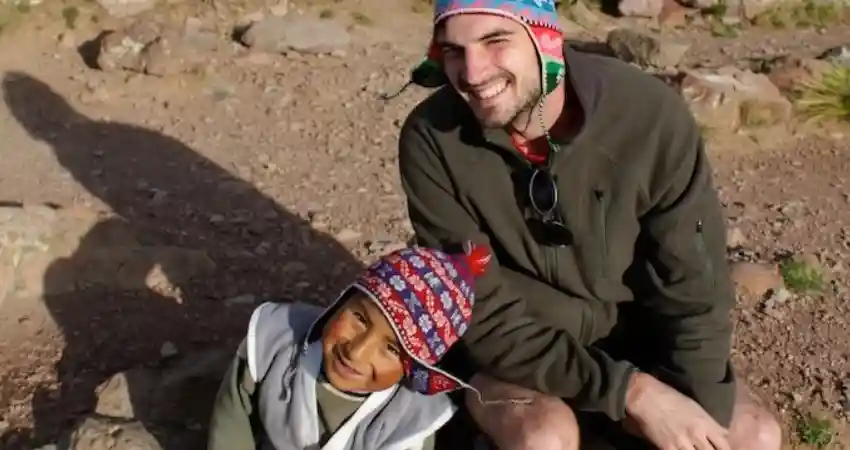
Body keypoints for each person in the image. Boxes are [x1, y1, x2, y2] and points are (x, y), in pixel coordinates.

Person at [395, 0, 783, 449]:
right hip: (519, 354)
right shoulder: (433, 140)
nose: (474, 72)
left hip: (636, 342)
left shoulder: (648, 118)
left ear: (547, 39)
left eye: (495, 40)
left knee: (754, 436)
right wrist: (628, 392)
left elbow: (695, 286)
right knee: (544, 438)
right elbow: (483, 317)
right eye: (454, 51)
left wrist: (693, 406)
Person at [207, 243, 492, 450]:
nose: (356, 352)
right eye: (358, 318)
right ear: (343, 300)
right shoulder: (276, 341)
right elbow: (232, 419)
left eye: (392, 349)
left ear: (413, 369)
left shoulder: (408, 424)